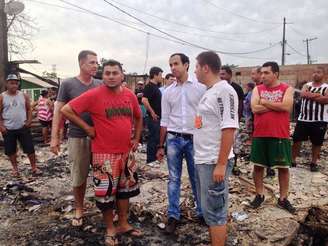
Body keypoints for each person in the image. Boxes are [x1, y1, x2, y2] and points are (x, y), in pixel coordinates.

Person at [61, 59, 143, 246]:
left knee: (125, 192)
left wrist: (136, 139)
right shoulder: (94, 95)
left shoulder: (129, 95)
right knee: (106, 196)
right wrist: (87, 128)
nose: (111, 76)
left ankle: (122, 223)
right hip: (104, 154)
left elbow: (138, 117)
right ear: (102, 75)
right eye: (107, 73)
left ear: (122, 75)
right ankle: (110, 229)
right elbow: (67, 110)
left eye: (115, 73)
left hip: (126, 153)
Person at [50, 50, 101, 226]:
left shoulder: (101, 84)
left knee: (103, 175)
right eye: (92, 62)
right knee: (78, 176)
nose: (96, 66)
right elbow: (58, 111)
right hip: (77, 137)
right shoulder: (68, 84)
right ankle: (79, 209)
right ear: (81, 63)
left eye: (97, 63)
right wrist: (54, 138)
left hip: (99, 138)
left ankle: (106, 208)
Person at [156, 53, 206, 234]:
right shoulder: (168, 92)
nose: (172, 68)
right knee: (173, 179)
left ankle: (202, 212)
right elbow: (164, 120)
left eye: (176, 64)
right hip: (174, 139)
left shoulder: (201, 88)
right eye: (170, 65)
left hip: (195, 139)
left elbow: (205, 115)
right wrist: (160, 146)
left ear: (186, 65)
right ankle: (173, 215)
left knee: (197, 178)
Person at [194, 51, 239, 246]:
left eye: (196, 67)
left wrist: (221, 164)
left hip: (214, 161)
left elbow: (229, 128)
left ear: (205, 68)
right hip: (204, 160)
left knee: (215, 213)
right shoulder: (210, 91)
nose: (194, 71)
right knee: (209, 211)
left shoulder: (224, 90)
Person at [249, 61, 295, 214]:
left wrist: (265, 102)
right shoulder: (257, 88)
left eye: (266, 73)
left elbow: (287, 107)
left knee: (283, 168)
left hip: (280, 134)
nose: (263, 76)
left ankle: (283, 198)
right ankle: (259, 194)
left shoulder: (287, 89)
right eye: (261, 73)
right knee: (258, 166)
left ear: (275, 74)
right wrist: (276, 105)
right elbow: (254, 108)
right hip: (260, 134)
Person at [0, 74, 41, 177]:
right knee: (11, 150)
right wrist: (1, 127)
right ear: (6, 84)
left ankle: (34, 167)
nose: (14, 85)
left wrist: (29, 121)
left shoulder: (23, 95)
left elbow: (29, 109)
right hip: (8, 129)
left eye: (16, 83)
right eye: (11, 83)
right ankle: (15, 169)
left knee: (30, 148)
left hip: (23, 127)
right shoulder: (2, 97)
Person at [292, 67, 328, 172]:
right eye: (314, 72)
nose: (315, 74)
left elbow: (325, 100)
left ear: (324, 75)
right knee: (297, 139)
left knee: (317, 143)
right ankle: (292, 160)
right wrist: (318, 95)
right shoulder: (306, 85)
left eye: (318, 72)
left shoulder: (326, 87)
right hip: (303, 118)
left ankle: (313, 163)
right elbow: (303, 94)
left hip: (320, 120)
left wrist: (310, 95)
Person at [219, 66, 244, 176]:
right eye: (220, 74)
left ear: (230, 75)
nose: (221, 76)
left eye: (223, 74)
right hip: (220, 122)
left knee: (234, 145)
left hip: (232, 122)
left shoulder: (236, 88)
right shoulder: (217, 87)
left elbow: (240, 105)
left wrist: (236, 121)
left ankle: (234, 165)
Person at [142, 67, 163, 164]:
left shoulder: (156, 87)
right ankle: (150, 160)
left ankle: (154, 158)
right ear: (155, 75)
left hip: (157, 117)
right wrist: (152, 112)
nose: (161, 77)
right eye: (160, 75)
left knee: (156, 138)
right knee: (152, 139)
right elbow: (144, 100)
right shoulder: (149, 86)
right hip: (152, 118)